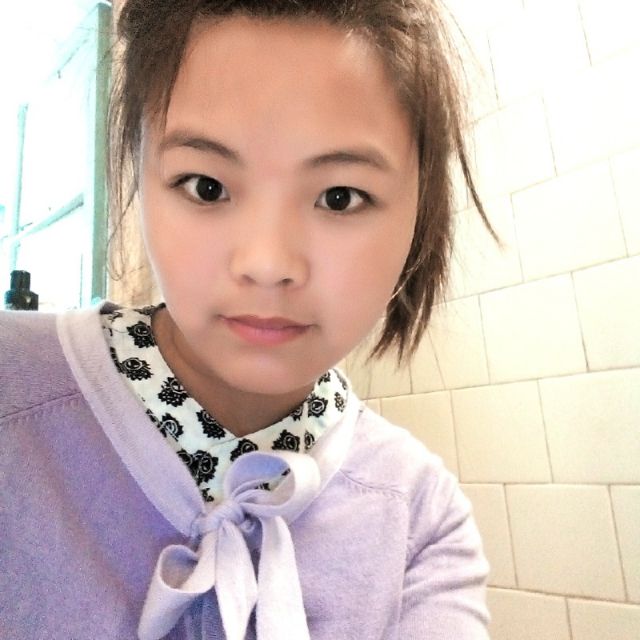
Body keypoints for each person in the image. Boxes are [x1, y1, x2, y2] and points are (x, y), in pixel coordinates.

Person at [0, 1, 494, 638]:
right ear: (139, 175)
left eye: (339, 197)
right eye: (206, 186)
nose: (267, 264)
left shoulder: (421, 520)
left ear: (420, 216)